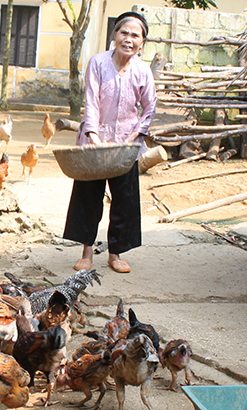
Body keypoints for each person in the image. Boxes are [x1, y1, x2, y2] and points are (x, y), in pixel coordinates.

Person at [63, 11, 157, 274]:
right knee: (88, 195)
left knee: (124, 198)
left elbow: (149, 108)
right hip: (96, 138)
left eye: (135, 35)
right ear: (114, 34)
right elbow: (91, 100)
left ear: (142, 43)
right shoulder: (98, 62)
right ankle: (87, 250)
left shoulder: (142, 70)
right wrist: (92, 134)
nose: (128, 39)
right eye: (124, 32)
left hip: (127, 144)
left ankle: (115, 253)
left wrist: (137, 135)